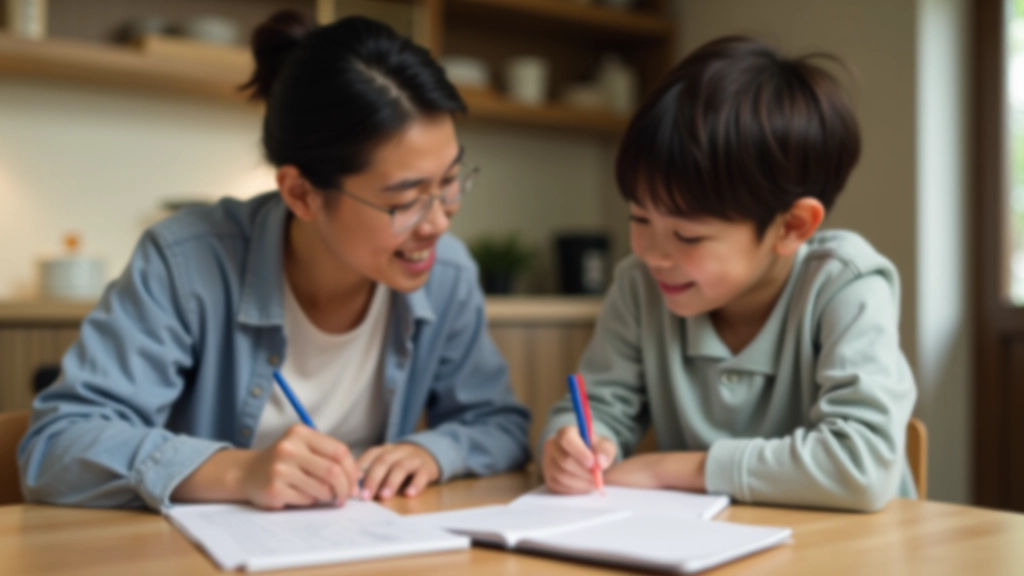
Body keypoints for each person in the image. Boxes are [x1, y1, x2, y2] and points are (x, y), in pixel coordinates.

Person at [18, 11, 530, 511]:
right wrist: (237, 471)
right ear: (301, 194)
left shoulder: (447, 273)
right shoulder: (186, 264)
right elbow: (55, 447)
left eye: (449, 183)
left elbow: (500, 424)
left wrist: (433, 451)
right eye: (404, 201)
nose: (438, 222)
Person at [540, 36, 917, 512]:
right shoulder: (639, 286)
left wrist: (672, 468)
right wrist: (569, 446)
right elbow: (597, 411)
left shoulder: (846, 284)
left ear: (792, 226)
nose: (653, 253)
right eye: (639, 219)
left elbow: (861, 464)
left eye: (688, 236)